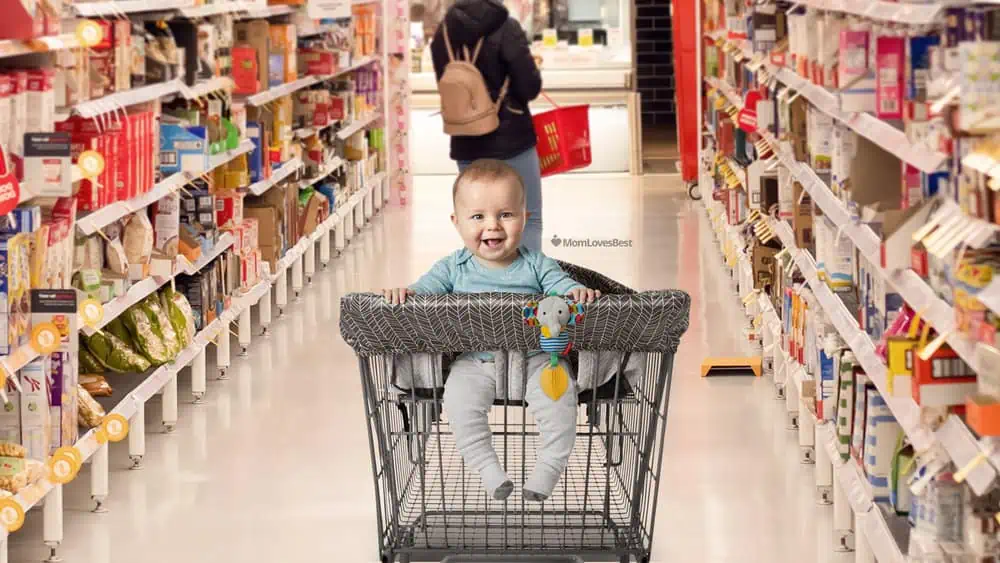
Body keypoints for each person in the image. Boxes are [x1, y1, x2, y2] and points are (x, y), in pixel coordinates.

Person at [382, 160, 600, 501]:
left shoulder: (537, 264)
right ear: (456, 223)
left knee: (561, 404)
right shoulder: (452, 268)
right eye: (478, 216)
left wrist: (574, 293)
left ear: (525, 217)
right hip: (475, 361)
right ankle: (488, 469)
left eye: (506, 215)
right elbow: (422, 292)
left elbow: (560, 287)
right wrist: (404, 294)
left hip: (538, 358)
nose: (493, 226)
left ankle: (548, 469)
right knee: (457, 403)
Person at [430, 0, 545, 252]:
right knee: (526, 217)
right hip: (512, 140)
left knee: (477, 221)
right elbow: (529, 87)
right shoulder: (506, 27)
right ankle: (526, 288)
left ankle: (484, 283)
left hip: (466, 140)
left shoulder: (443, 33)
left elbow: (449, 86)